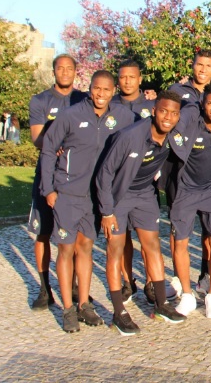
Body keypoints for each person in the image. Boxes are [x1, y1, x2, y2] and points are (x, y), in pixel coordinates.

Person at [39, 71, 135, 332]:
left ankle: (84, 304)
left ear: (113, 91)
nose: (100, 94)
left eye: (106, 89)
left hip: (95, 197)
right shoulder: (70, 115)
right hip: (68, 194)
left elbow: (143, 131)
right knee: (66, 249)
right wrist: (48, 189)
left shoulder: (122, 117)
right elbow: (48, 149)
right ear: (90, 88)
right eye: (96, 88)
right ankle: (67, 309)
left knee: (85, 248)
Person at [95, 91, 189, 335]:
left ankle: (161, 304)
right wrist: (106, 211)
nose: (168, 117)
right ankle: (118, 312)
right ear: (154, 111)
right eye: (163, 111)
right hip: (118, 196)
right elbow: (104, 174)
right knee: (115, 249)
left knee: (153, 246)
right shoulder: (130, 136)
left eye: (174, 113)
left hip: (145, 194)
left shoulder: (174, 136)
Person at [168, 81, 211, 318]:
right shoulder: (191, 123)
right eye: (210, 103)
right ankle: (187, 295)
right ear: (202, 104)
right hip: (186, 191)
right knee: (180, 242)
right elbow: (171, 129)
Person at [27, 54, 88, 310]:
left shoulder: (83, 98)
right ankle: (45, 289)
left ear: (75, 71)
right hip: (48, 173)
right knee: (43, 233)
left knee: (74, 236)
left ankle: (73, 287)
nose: (64, 72)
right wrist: (57, 143)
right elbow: (37, 138)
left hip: (75, 178)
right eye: (60, 68)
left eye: (69, 68)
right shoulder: (40, 100)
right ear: (54, 71)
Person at [110, 59, 157, 303]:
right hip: (117, 183)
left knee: (147, 237)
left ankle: (151, 282)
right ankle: (128, 281)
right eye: (123, 77)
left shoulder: (151, 105)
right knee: (122, 237)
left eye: (132, 77)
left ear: (140, 79)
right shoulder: (110, 105)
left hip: (145, 183)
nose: (127, 81)